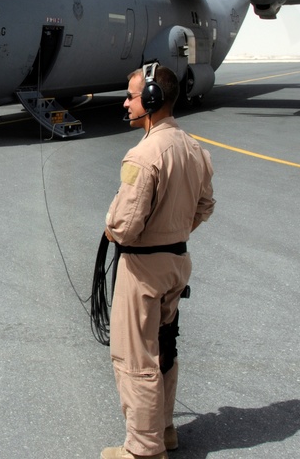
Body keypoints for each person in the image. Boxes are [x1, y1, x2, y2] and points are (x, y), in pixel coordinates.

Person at [101, 63, 215, 459]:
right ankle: (165, 430)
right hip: (176, 264)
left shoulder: (144, 153)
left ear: (151, 100)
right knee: (165, 346)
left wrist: (111, 228)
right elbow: (204, 205)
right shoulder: (194, 148)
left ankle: (144, 450)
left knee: (136, 357)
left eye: (132, 96)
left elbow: (125, 225)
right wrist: (172, 232)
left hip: (144, 270)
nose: (126, 102)